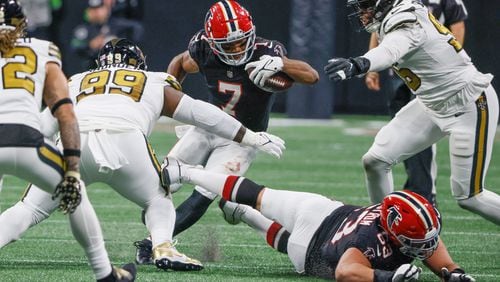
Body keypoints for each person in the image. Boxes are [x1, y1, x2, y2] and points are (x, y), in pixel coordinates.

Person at [0, 38, 286, 271]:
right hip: (126, 140)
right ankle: (163, 246)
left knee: (29, 208)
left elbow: (43, 126)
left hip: (73, 142)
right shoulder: (152, 80)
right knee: (158, 199)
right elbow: (202, 113)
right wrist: (249, 136)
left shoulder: (76, 81)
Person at [133, 0, 319, 264]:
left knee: (203, 195)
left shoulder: (267, 51)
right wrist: (171, 94)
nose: (237, 49)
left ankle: (152, 244)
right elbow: (180, 63)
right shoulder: (203, 49)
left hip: (243, 139)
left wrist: (280, 63)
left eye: (242, 42)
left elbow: (311, 76)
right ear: (212, 42)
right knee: (160, 183)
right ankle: (230, 208)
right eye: (228, 45)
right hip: (208, 127)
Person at [324, 0, 500, 225]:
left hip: (468, 102)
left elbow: (390, 51)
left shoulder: (406, 20)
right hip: (431, 102)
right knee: (375, 160)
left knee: (470, 197)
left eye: (366, 5)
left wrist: (358, 64)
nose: (362, 13)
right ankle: (385, 232)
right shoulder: (396, 14)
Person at [157, 157, 476, 281]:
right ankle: (242, 213)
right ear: (394, 233)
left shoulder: (394, 221)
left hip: (320, 210)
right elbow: (346, 271)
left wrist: (454, 273)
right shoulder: (368, 242)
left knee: (258, 194)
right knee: (281, 233)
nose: (429, 245)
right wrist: (385, 278)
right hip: (309, 249)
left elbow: (432, 248)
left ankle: (186, 171)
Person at [0, 1, 135, 281]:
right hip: (25, 140)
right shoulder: (41, 49)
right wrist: (72, 167)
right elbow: (64, 111)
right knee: (76, 193)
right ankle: (105, 273)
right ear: (22, 24)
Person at [364, 0, 468, 206]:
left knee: (420, 135)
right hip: (401, 73)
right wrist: (372, 67)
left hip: (428, 76)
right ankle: (414, 190)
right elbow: (378, 29)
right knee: (400, 133)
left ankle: (424, 191)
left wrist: (441, 68)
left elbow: (457, 31)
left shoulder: (447, 2)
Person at [71, 0, 143, 70]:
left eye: (99, 8)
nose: (97, 12)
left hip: (118, 66)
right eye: (93, 9)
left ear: (106, 9)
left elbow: (137, 29)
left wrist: (120, 42)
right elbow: (75, 46)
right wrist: (90, 45)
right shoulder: (84, 29)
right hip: (93, 67)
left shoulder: (117, 24)